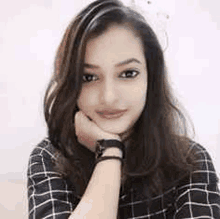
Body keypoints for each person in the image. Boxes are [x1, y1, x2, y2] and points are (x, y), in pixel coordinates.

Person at [27, 0, 220, 218]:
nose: (109, 97)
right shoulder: (48, 157)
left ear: (151, 78)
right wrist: (109, 151)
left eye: (128, 73)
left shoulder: (190, 160)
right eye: (88, 77)